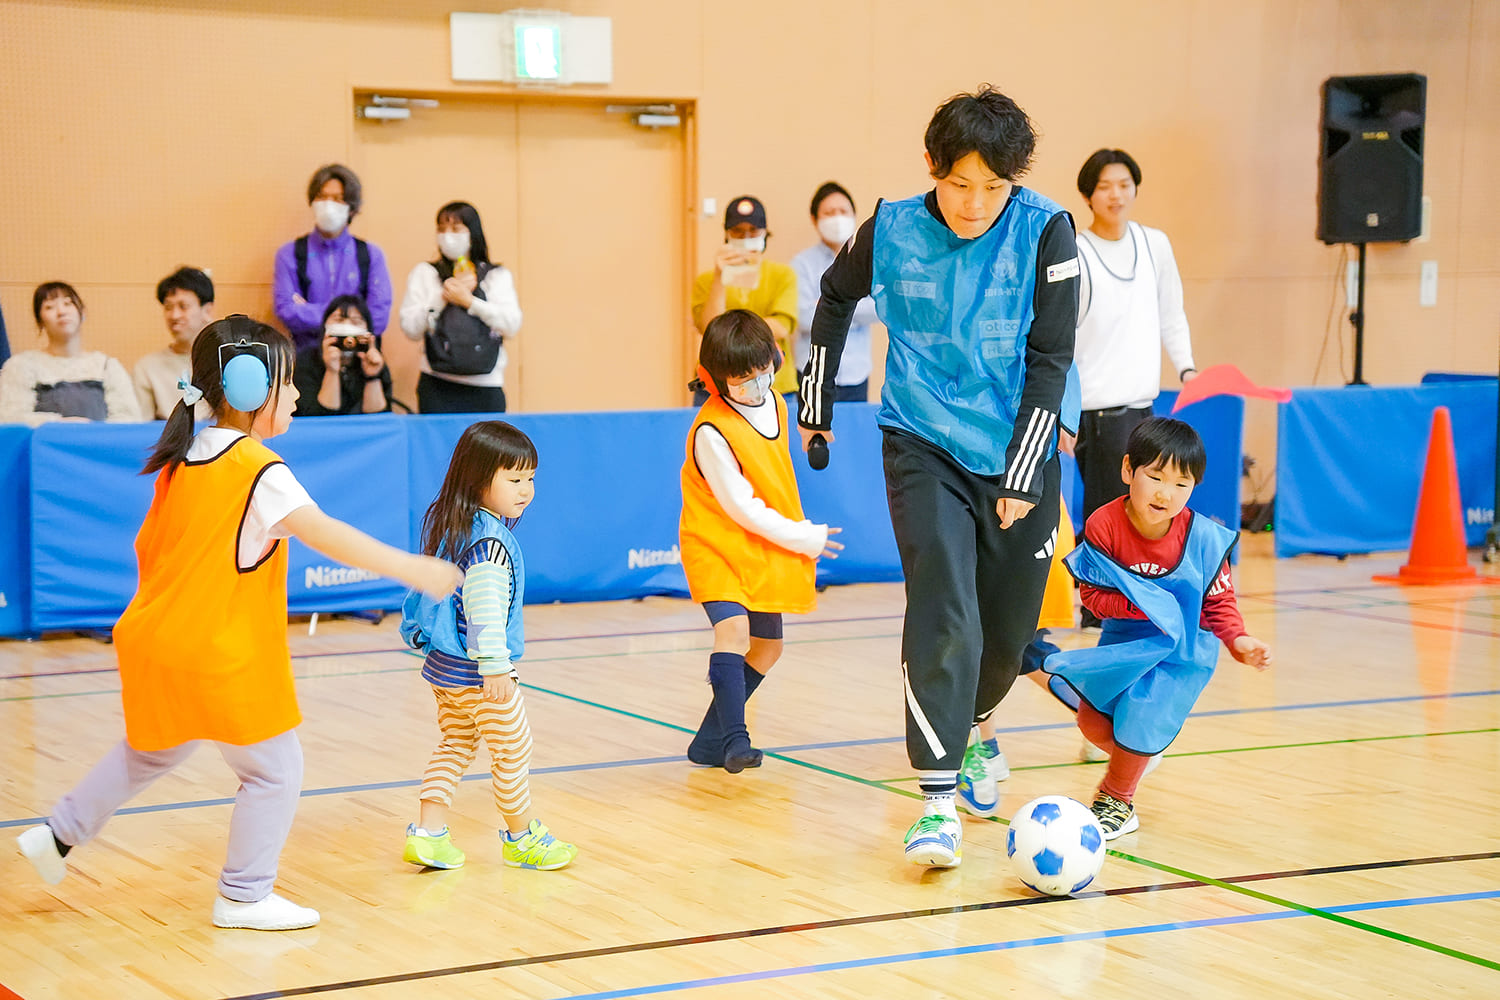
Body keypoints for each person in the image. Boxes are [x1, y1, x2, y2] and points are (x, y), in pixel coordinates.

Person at [15, 315, 460, 930]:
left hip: (154, 641)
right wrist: (416, 569)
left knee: (150, 753)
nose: (299, 393)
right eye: (288, 382)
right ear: (249, 389)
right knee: (275, 771)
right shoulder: (260, 469)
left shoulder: (182, 456)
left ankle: (58, 834)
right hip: (213, 650)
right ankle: (245, 895)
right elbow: (328, 534)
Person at [798, 86, 1077, 868]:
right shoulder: (889, 228)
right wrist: (815, 400)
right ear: (931, 167)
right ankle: (936, 803)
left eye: (995, 187)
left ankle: (976, 727)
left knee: (1007, 633)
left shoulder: (1048, 231)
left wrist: (1026, 473)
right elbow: (832, 297)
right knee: (945, 603)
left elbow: (1051, 359)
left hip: (1018, 445)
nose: (976, 204)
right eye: (961, 185)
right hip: (919, 437)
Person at [1044, 417, 1271, 838]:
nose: (1167, 493)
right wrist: (1143, 605)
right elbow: (1093, 598)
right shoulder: (1104, 525)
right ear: (1128, 470)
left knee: (1142, 715)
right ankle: (1140, 752)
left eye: (1181, 484)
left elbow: (1219, 600)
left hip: (1182, 653)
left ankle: (1117, 799)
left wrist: (1239, 639)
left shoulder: (1203, 539)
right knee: (1094, 723)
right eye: (1155, 477)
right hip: (1125, 642)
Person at [399, 421, 577, 871]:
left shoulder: (453, 525)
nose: (526, 490)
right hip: (481, 675)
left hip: (444, 672)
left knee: (455, 744)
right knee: (513, 749)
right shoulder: (489, 547)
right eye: (514, 479)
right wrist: (495, 667)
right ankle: (522, 838)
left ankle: (429, 833)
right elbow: (485, 610)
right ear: (480, 479)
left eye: (530, 478)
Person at [681, 310, 842, 771]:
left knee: (768, 647)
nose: (756, 384)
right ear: (713, 381)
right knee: (732, 630)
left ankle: (709, 741)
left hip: (759, 543)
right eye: (742, 379)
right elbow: (742, 508)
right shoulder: (711, 430)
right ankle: (735, 740)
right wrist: (804, 537)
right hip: (715, 541)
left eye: (763, 372)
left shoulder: (777, 403)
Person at [1072, 150, 1198, 576]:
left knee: (1141, 510)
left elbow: (1172, 312)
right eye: (1105, 186)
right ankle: (1098, 602)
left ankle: (1126, 598)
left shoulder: (1154, 243)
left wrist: (1187, 368)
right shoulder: (1076, 251)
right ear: (1088, 194)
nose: (1116, 194)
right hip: (1096, 410)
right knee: (1107, 510)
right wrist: (1061, 410)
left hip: (1142, 406)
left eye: (1124, 184)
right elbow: (1062, 338)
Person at [398, 201, 522, 414]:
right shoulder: (425, 273)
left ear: (472, 233)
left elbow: (511, 325)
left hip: (486, 385)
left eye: (456, 229)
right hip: (437, 383)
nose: (447, 236)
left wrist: (470, 302)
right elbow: (410, 329)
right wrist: (443, 296)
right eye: (441, 229)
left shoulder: (496, 275)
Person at [273, 164, 393, 351]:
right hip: (306, 359)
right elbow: (287, 311)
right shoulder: (290, 253)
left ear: (352, 208)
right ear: (312, 202)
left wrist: (310, 310)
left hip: (358, 360)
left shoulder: (370, 255)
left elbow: (378, 318)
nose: (328, 205)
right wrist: (351, 318)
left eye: (338, 199)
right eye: (322, 197)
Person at [691, 196, 798, 404]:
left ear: (765, 233)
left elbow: (781, 327)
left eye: (753, 231)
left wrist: (729, 331)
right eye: (738, 231)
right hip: (717, 384)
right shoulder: (706, 280)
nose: (746, 237)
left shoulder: (783, 275)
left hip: (774, 385)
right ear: (726, 234)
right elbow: (709, 328)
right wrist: (719, 278)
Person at [0, 282, 140, 425]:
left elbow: (130, 419)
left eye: (68, 304)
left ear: (82, 313)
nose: (61, 312)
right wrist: (60, 424)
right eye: (49, 307)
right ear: (40, 321)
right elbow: (9, 418)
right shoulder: (21, 365)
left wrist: (91, 431)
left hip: (100, 445)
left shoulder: (107, 366)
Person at [791, 182, 877, 403]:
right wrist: (853, 308)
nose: (837, 218)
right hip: (811, 370)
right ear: (815, 219)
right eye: (829, 213)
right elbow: (802, 317)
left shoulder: (869, 261)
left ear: (854, 215)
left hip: (856, 373)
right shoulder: (801, 264)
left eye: (843, 211)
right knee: (812, 434)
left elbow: (878, 308)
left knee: (853, 435)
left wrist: (830, 305)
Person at [135, 267, 215, 420]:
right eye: (168, 307)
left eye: (183, 306)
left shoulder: (226, 362)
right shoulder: (147, 367)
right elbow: (140, 427)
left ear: (207, 311)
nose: (174, 315)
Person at [292, 295, 392, 415]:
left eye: (356, 322)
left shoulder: (375, 361)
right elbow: (319, 417)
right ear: (325, 325)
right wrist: (332, 371)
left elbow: (378, 419)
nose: (347, 327)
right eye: (339, 320)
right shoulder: (306, 360)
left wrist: (372, 377)